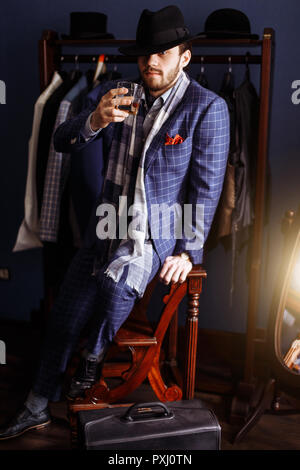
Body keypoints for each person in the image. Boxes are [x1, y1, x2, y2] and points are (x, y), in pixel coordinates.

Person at [0, 5, 229, 440]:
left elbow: (207, 186)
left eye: (163, 52)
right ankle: (35, 405)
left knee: (115, 282)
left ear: (185, 56)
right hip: (105, 225)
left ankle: (94, 356)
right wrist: (94, 119)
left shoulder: (207, 108)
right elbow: (62, 141)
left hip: (154, 233)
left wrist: (188, 250)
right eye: (145, 53)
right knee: (65, 315)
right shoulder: (118, 92)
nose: (151, 61)